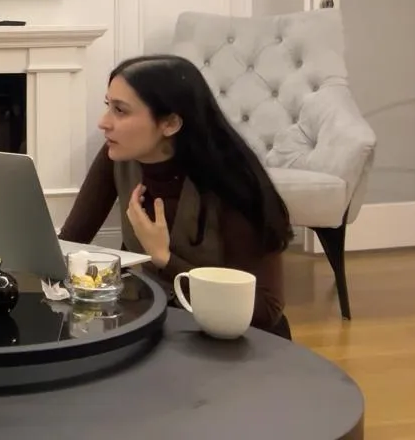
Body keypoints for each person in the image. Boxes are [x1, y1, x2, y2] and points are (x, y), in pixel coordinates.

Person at [58, 54, 295, 339]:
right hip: (160, 326)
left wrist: (165, 259)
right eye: (108, 106)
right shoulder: (118, 156)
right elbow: (70, 241)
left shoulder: (234, 183)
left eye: (120, 111)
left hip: (236, 341)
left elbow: (266, 310)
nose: (103, 122)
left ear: (170, 123)